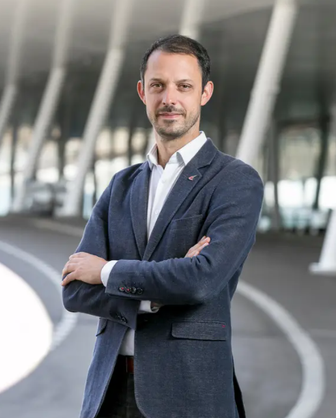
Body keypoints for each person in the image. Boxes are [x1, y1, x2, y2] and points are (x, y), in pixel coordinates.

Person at [61, 34, 264, 418]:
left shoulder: (235, 181)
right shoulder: (121, 186)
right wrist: (161, 291)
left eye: (183, 86)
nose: (169, 98)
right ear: (142, 91)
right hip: (110, 392)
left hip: (188, 394)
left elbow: (200, 280)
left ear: (204, 92)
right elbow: (74, 291)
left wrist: (106, 272)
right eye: (158, 85)